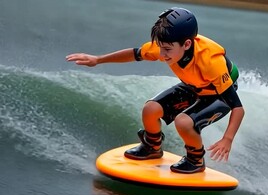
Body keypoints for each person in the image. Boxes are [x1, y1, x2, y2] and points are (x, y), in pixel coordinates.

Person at [66, 7, 245, 174]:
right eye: (160, 48)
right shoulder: (165, 45)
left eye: (167, 50)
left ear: (187, 44)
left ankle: (196, 160)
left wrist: (227, 139)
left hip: (218, 93)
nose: (162, 54)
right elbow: (134, 54)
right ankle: (152, 147)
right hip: (193, 85)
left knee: (183, 122)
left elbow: (238, 108)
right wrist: (98, 60)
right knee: (150, 109)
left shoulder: (211, 62)